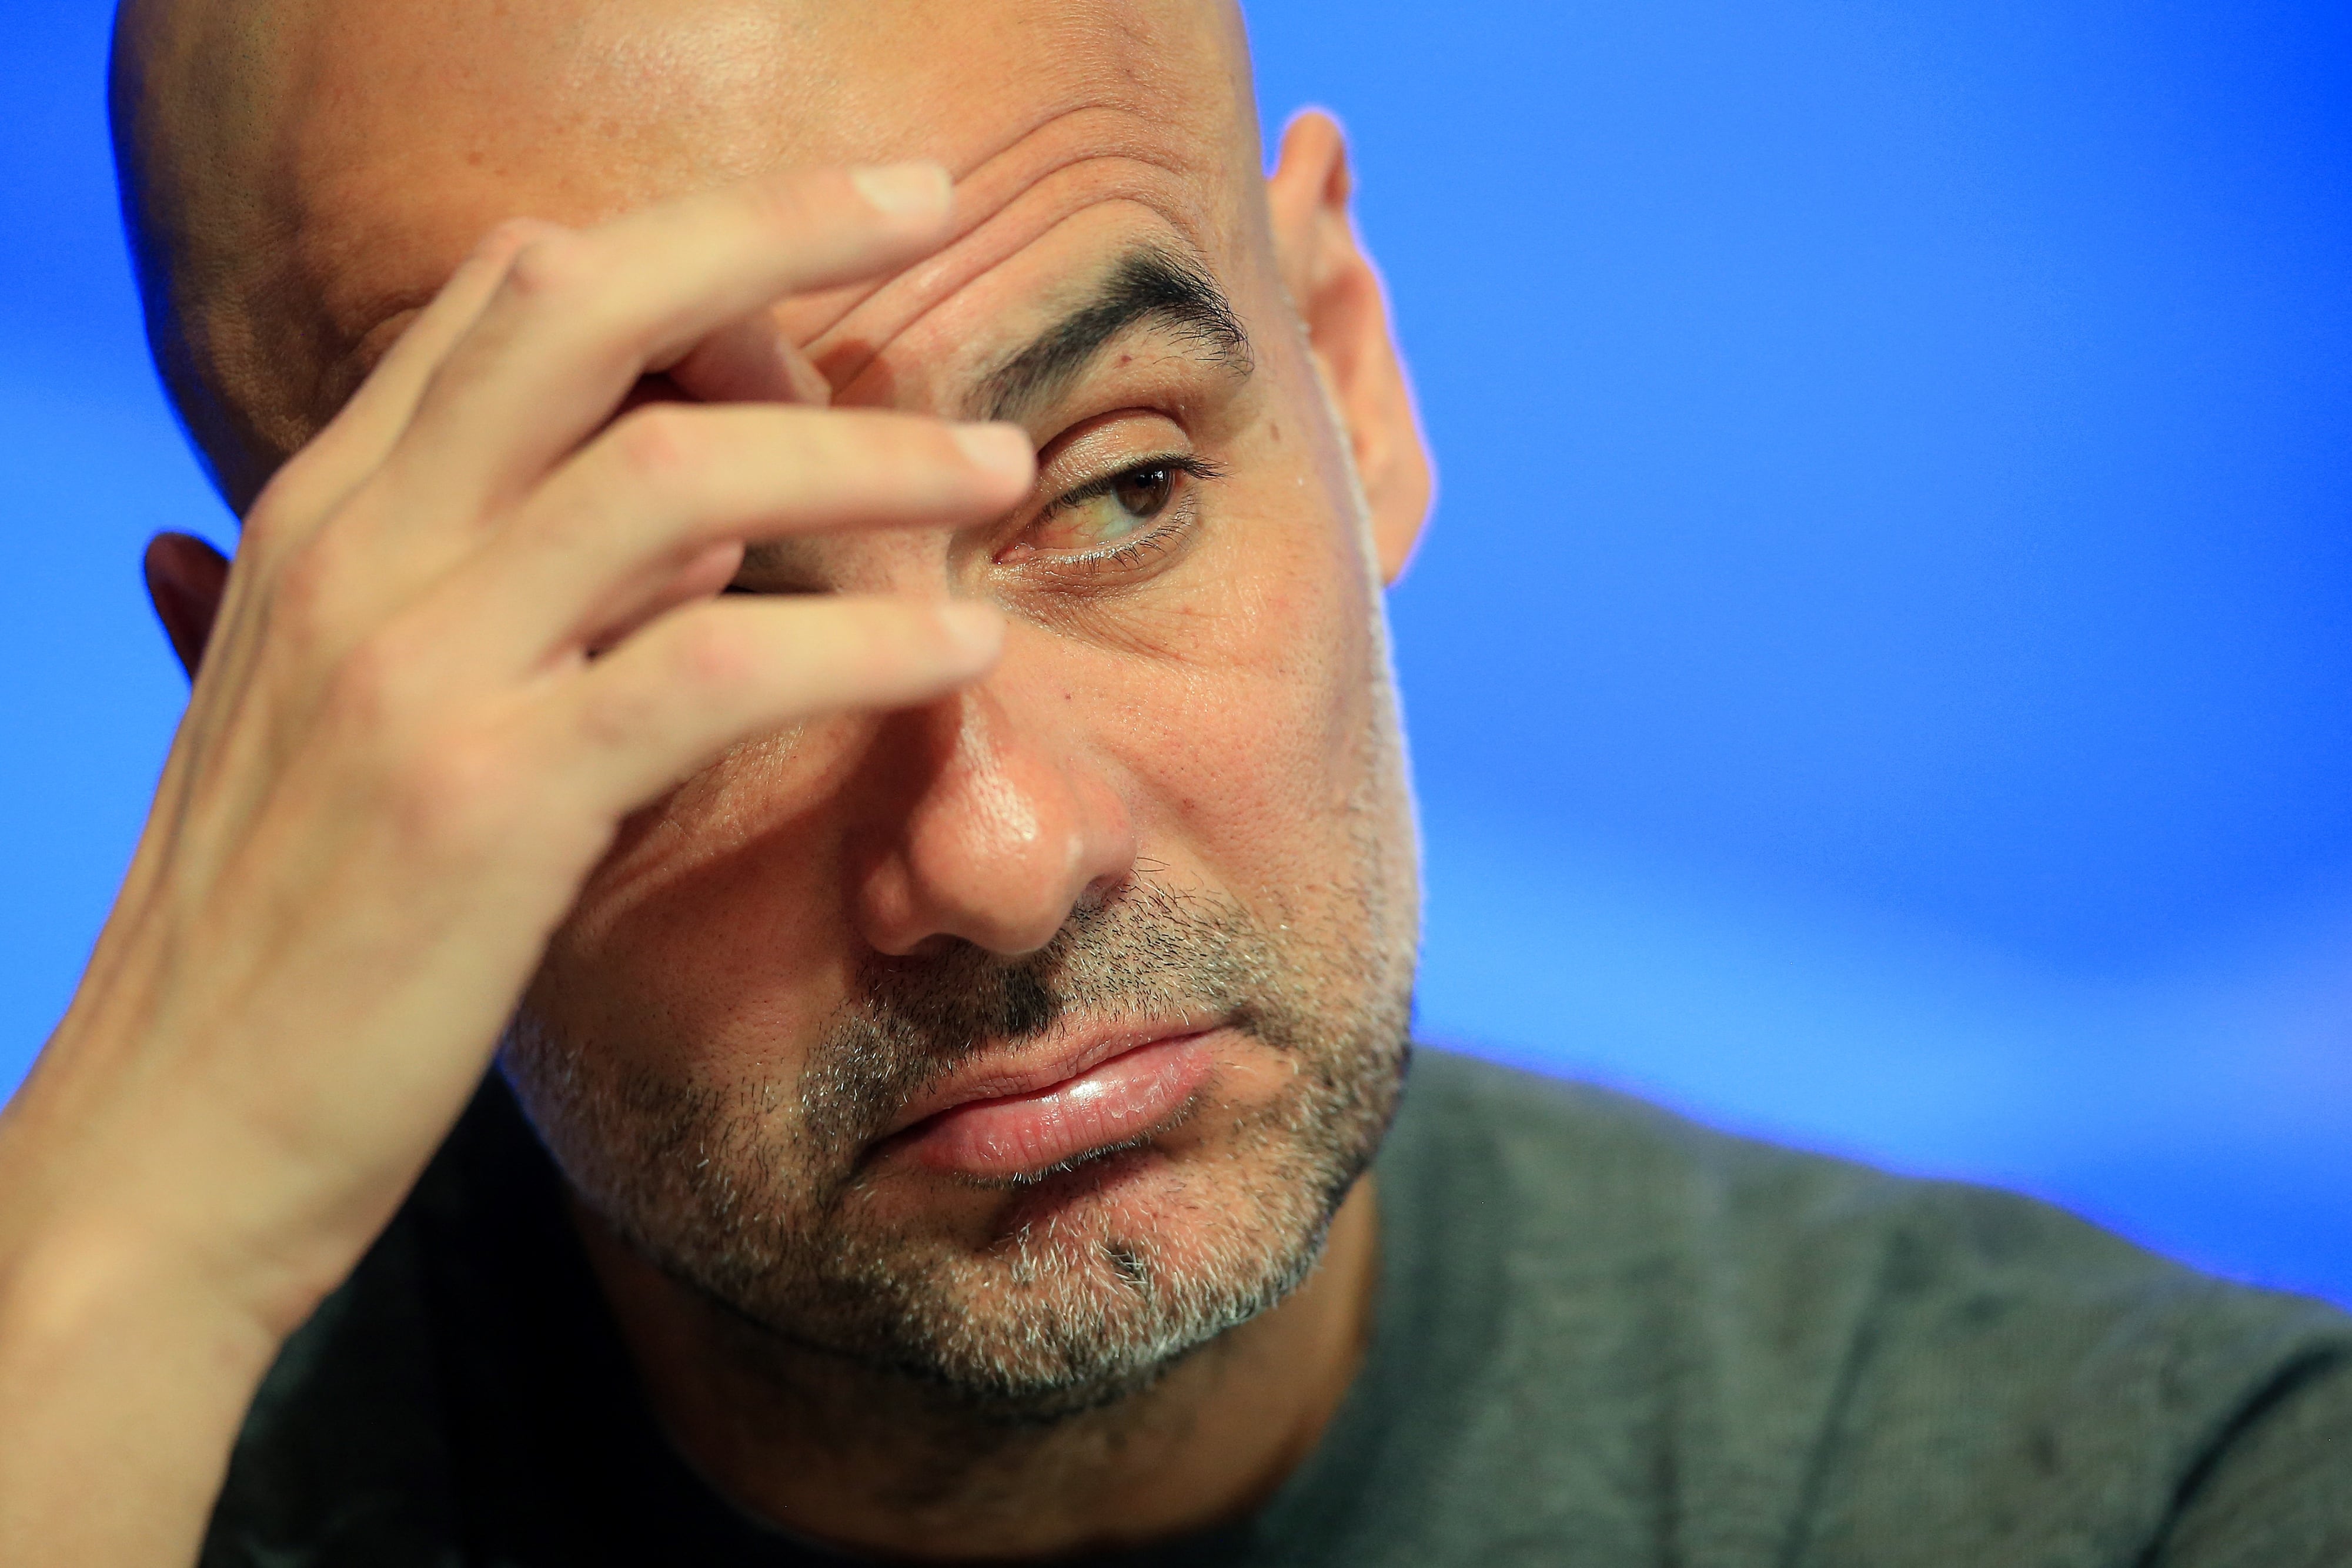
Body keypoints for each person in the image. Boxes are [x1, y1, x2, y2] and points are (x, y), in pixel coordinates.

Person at [0, 0, 2344, 1562]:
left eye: (1116, 490)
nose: (997, 856)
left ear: (1350, 383)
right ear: (266, 730)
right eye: (671, 615)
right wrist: (115, 1272)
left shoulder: (2147, 1498)